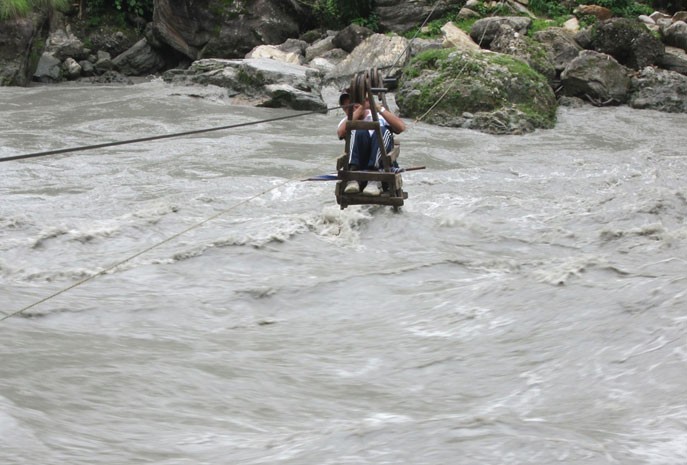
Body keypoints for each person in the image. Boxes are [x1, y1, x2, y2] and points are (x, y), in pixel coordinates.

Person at [337, 88, 406, 196]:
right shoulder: (346, 122)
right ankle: (354, 178)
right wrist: (360, 109)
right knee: (357, 129)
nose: (352, 110)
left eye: (355, 105)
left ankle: (374, 178)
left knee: (382, 130)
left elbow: (401, 127)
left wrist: (378, 108)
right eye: (347, 108)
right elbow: (341, 132)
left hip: (381, 168)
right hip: (359, 167)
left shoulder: (378, 117)